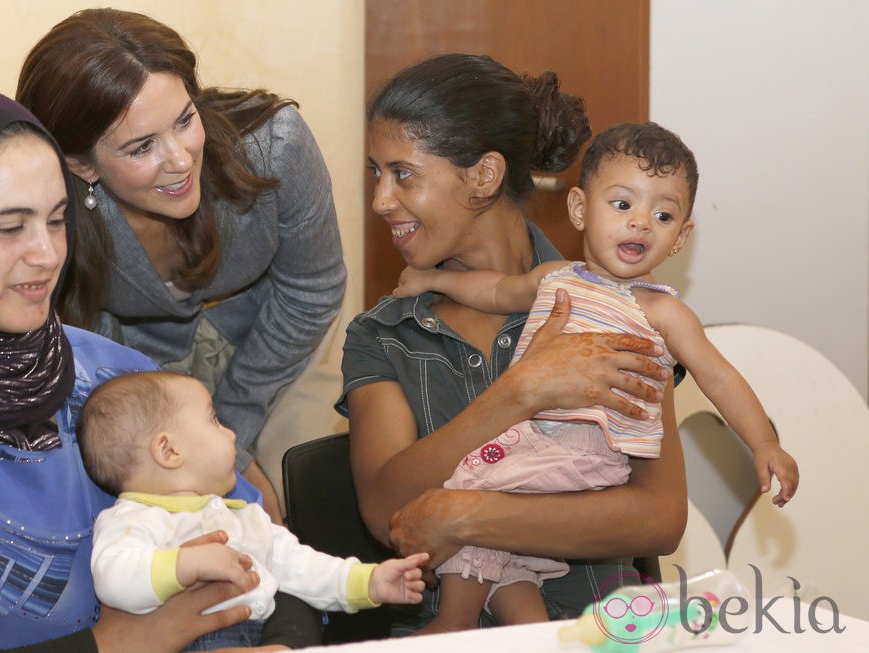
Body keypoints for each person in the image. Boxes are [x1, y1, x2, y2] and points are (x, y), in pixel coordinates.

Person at [0, 88, 316, 653]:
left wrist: (280, 644)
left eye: (58, 219)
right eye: (9, 227)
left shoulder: (109, 377)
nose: (47, 254)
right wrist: (114, 644)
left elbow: (271, 550)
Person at [390, 121, 800, 632]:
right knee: (504, 545)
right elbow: (494, 291)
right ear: (581, 208)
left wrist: (763, 442)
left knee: (470, 488)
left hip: (588, 452)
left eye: (663, 214)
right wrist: (433, 279)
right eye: (623, 205)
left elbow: (719, 378)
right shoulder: (554, 278)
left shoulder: (663, 314)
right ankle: (531, 630)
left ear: (681, 237)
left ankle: (452, 622)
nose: (641, 224)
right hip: (533, 440)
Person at [336, 52, 688, 635]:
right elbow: (387, 513)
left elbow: (659, 516)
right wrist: (521, 392)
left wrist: (467, 514)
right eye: (376, 172)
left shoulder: (614, 306)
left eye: (403, 173)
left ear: (484, 176)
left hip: (605, 632)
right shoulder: (384, 334)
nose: (380, 199)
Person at [16, 8, 347, 522]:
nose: (178, 158)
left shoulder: (275, 147)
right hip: (135, 373)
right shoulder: (53, 213)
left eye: (185, 120)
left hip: (275, 340)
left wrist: (232, 440)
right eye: (141, 146)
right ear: (82, 165)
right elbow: (84, 338)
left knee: (304, 491)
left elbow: (312, 290)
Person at [77, 369, 427, 649]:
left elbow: (301, 567)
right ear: (168, 452)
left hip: (257, 635)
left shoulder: (242, 516)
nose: (231, 435)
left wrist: (369, 582)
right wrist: (187, 564)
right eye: (213, 420)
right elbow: (114, 577)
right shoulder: (133, 519)